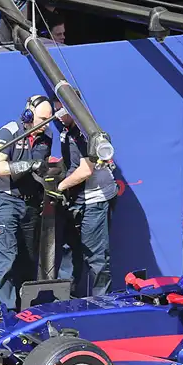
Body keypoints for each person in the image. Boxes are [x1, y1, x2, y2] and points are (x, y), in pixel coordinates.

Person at [0, 95, 54, 311]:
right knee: (6, 259)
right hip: (6, 202)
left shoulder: (48, 135)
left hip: (32, 204)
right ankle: (7, 313)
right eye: (41, 119)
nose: (44, 125)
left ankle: (26, 311)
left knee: (28, 260)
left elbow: (45, 167)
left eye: (49, 120)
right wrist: (28, 164)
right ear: (28, 114)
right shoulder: (10, 131)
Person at [53, 99, 118, 297]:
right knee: (69, 251)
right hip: (76, 200)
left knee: (96, 256)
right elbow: (73, 160)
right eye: (55, 110)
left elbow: (85, 170)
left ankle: (102, 302)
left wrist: (60, 186)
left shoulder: (87, 131)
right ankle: (64, 300)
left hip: (94, 201)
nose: (57, 115)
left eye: (61, 110)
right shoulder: (66, 130)